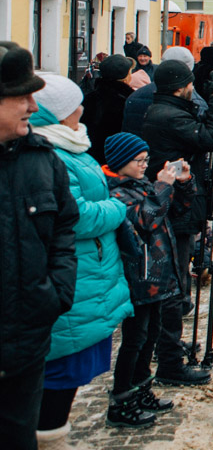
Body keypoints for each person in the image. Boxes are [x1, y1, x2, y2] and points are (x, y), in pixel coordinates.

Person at [30, 76, 132, 446]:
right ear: (58, 113)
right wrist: (117, 206)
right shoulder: (53, 153)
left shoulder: (68, 143)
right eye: (74, 105)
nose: (82, 109)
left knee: (64, 376)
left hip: (89, 272)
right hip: (75, 274)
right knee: (56, 376)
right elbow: (77, 216)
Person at [0, 44, 79, 450]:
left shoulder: (41, 159)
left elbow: (64, 227)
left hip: (26, 344)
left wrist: (55, 291)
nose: (33, 106)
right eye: (22, 97)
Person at [142, 60, 213, 387]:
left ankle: (166, 345)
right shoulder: (169, 116)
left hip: (177, 204)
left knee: (176, 281)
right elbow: (211, 137)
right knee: (175, 284)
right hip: (177, 209)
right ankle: (169, 360)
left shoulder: (165, 110)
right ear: (182, 86)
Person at [104, 133, 191, 429]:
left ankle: (142, 389)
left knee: (150, 333)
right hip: (138, 278)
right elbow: (146, 219)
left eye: (145, 159)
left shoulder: (140, 185)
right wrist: (163, 185)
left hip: (156, 276)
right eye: (137, 160)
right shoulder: (116, 193)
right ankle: (121, 399)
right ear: (120, 162)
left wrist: (181, 184)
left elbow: (176, 211)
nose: (144, 165)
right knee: (134, 339)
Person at [81, 54, 135, 164]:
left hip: (88, 159)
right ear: (125, 77)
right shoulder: (128, 101)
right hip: (117, 160)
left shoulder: (88, 98)